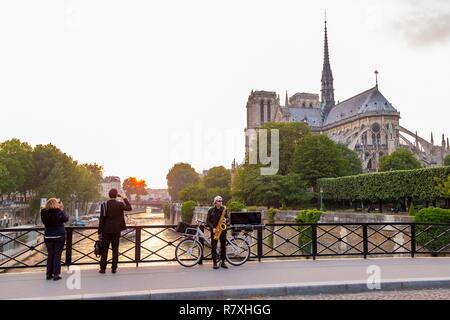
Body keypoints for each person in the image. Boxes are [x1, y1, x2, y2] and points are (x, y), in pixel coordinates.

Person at [98, 188, 132, 274]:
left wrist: (99, 232)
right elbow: (129, 208)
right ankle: (114, 268)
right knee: (115, 249)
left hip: (106, 230)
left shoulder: (104, 204)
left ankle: (102, 269)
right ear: (117, 195)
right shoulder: (120, 204)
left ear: (109, 195)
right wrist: (124, 198)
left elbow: (101, 219)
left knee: (105, 249)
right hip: (116, 230)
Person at [41, 198, 68, 281]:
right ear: (56, 204)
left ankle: (48, 274)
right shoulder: (59, 212)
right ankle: (56, 274)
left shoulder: (43, 212)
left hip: (48, 236)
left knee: (50, 254)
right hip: (59, 236)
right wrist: (61, 209)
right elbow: (66, 219)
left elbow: (44, 222)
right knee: (57, 255)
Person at [206, 196, 228, 270]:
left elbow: (228, 219)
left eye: (221, 201)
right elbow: (207, 221)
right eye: (219, 201)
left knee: (223, 246)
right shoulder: (211, 210)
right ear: (215, 202)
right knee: (214, 247)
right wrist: (213, 228)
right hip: (215, 231)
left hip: (222, 230)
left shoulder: (224, 210)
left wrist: (226, 220)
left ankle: (223, 262)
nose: (220, 202)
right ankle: (214, 262)